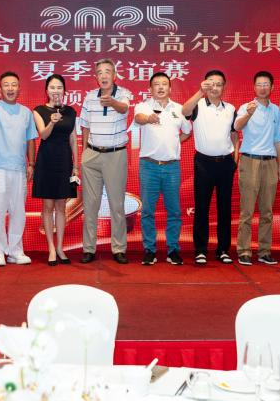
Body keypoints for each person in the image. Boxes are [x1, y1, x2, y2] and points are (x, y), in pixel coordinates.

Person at [78, 58, 133, 264]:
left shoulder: (124, 93)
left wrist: (112, 102)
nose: (103, 76)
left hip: (115, 155)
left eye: (107, 72)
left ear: (114, 75)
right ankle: (88, 248)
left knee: (116, 204)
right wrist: (84, 154)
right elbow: (85, 126)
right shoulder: (90, 97)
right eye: (100, 72)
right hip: (92, 155)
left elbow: (123, 108)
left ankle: (118, 248)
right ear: (95, 77)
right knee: (90, 205)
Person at [134, 72, 192, 265]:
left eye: (164, 84)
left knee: (174, 211)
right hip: (149, 166)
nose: (160, 87)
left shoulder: (179, 109)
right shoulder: (143, 106)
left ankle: (173, 250)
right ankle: (149, 250)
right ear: (150, 89)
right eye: (156, 84)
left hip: (171, 167)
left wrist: (174, 143)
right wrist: (148, 118)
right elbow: (139, 118)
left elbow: (187, 132)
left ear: (170, 88)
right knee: (147, 211)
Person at [182, 70, 238, 265]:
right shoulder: (198, 105)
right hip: (203, 163)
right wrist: (200, 92)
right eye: (211, 83)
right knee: (202, 207)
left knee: (225, 208)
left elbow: (234, 134)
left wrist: (235, 158)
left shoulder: (230, 108)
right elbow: (184, 111)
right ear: (205, 84)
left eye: (219, 84)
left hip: (226, 163)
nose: (215, 87)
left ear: (224, 87)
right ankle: (200, 250)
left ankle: (223, 249)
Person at [0, 71, 38, 267]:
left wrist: (31, 164)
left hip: (19, 168)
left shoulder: (26, 112)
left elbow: (31, 140)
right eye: (6, 85)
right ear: (0, 88)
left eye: (14, 85)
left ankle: (15, 250)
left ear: (19, 88)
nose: (10, 88)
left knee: (18, 211)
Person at [233, 71, 280, 266]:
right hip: (250, 160)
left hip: (270, 162)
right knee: (247, 210)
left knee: (267, 211)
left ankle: (264, 251)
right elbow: (237, 126)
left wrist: (279, 165)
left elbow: (278, 139)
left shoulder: (276, 110)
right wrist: (249, 114)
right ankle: (244, 250)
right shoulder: (247, 107)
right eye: (259, 84)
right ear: (254, 87)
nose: (262, 88)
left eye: (266, 84)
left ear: (272, 87)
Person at [32, 74, 78, 266]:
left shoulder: (71, 112)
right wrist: (52, 121)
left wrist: (76, 165)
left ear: (64, 91)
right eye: (52, 87)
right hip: (46, 161)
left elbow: (73, 139)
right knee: (48, 206)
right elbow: (43, 135)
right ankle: (50, 248)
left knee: (61, 207)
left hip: (64, 161)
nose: (56, 91)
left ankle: (60, 247)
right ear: (46, 90)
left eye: (59, 87)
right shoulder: (39, 111)